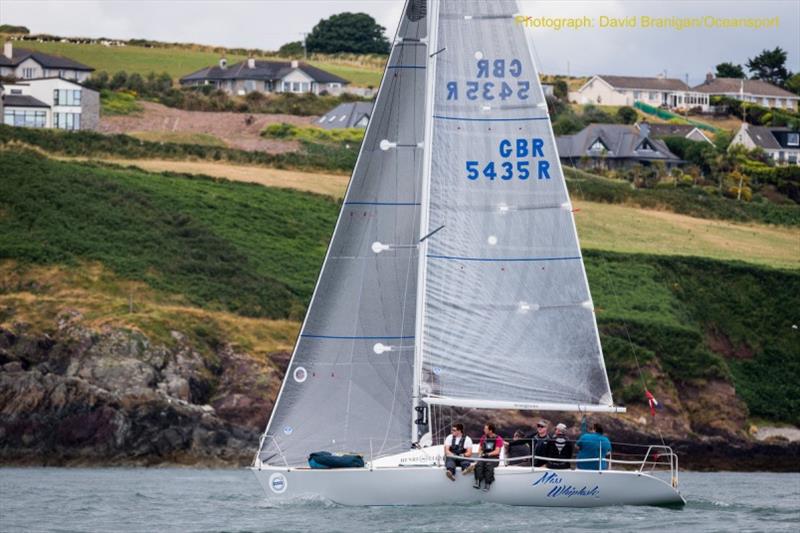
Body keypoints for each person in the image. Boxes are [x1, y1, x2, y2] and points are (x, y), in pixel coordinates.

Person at [465, 422, 504, 491]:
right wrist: (480, 454)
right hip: (484, 456)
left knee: (488, 465)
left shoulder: (498, 439)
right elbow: (480, 448)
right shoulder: (483, 437)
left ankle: (487, 484)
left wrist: (488, 454)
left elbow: (497, 451)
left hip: (494, 458)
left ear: (490, 430)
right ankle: (478, 481)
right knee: (479, 464)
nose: (484, 430)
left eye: (485, 429)